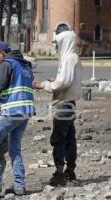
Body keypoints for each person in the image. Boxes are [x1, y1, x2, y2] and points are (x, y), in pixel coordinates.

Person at [0, 42, 35, 196]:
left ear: (2, 53)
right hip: (26, 112)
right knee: (14, 148)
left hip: (12, 111)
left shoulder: (7, 64)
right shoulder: (26, 66)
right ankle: (19, 186)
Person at [33, 30, 82, 186]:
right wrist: (55, 81)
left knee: (58, 139)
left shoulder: (69, 59)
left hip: (64, 104)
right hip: (70, 103)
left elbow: (64, 83)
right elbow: (66, 80)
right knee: (69, 138)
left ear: (65, 43)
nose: (58, 47)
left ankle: (60, 173)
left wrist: (44, 85)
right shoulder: (74, 58)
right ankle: (70, 171)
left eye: (59, 44)